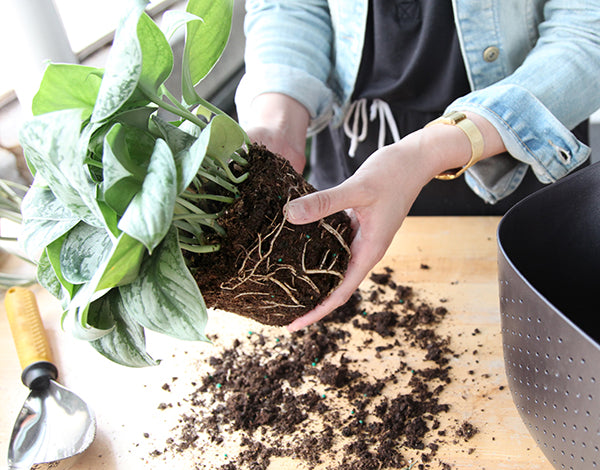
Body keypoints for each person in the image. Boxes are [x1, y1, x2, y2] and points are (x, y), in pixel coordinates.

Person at [234, 0, 600, 331]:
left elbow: (586, 32)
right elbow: (291, 8)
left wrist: (428, 152)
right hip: (347, 193)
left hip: (516, 187)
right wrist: (278, 122)